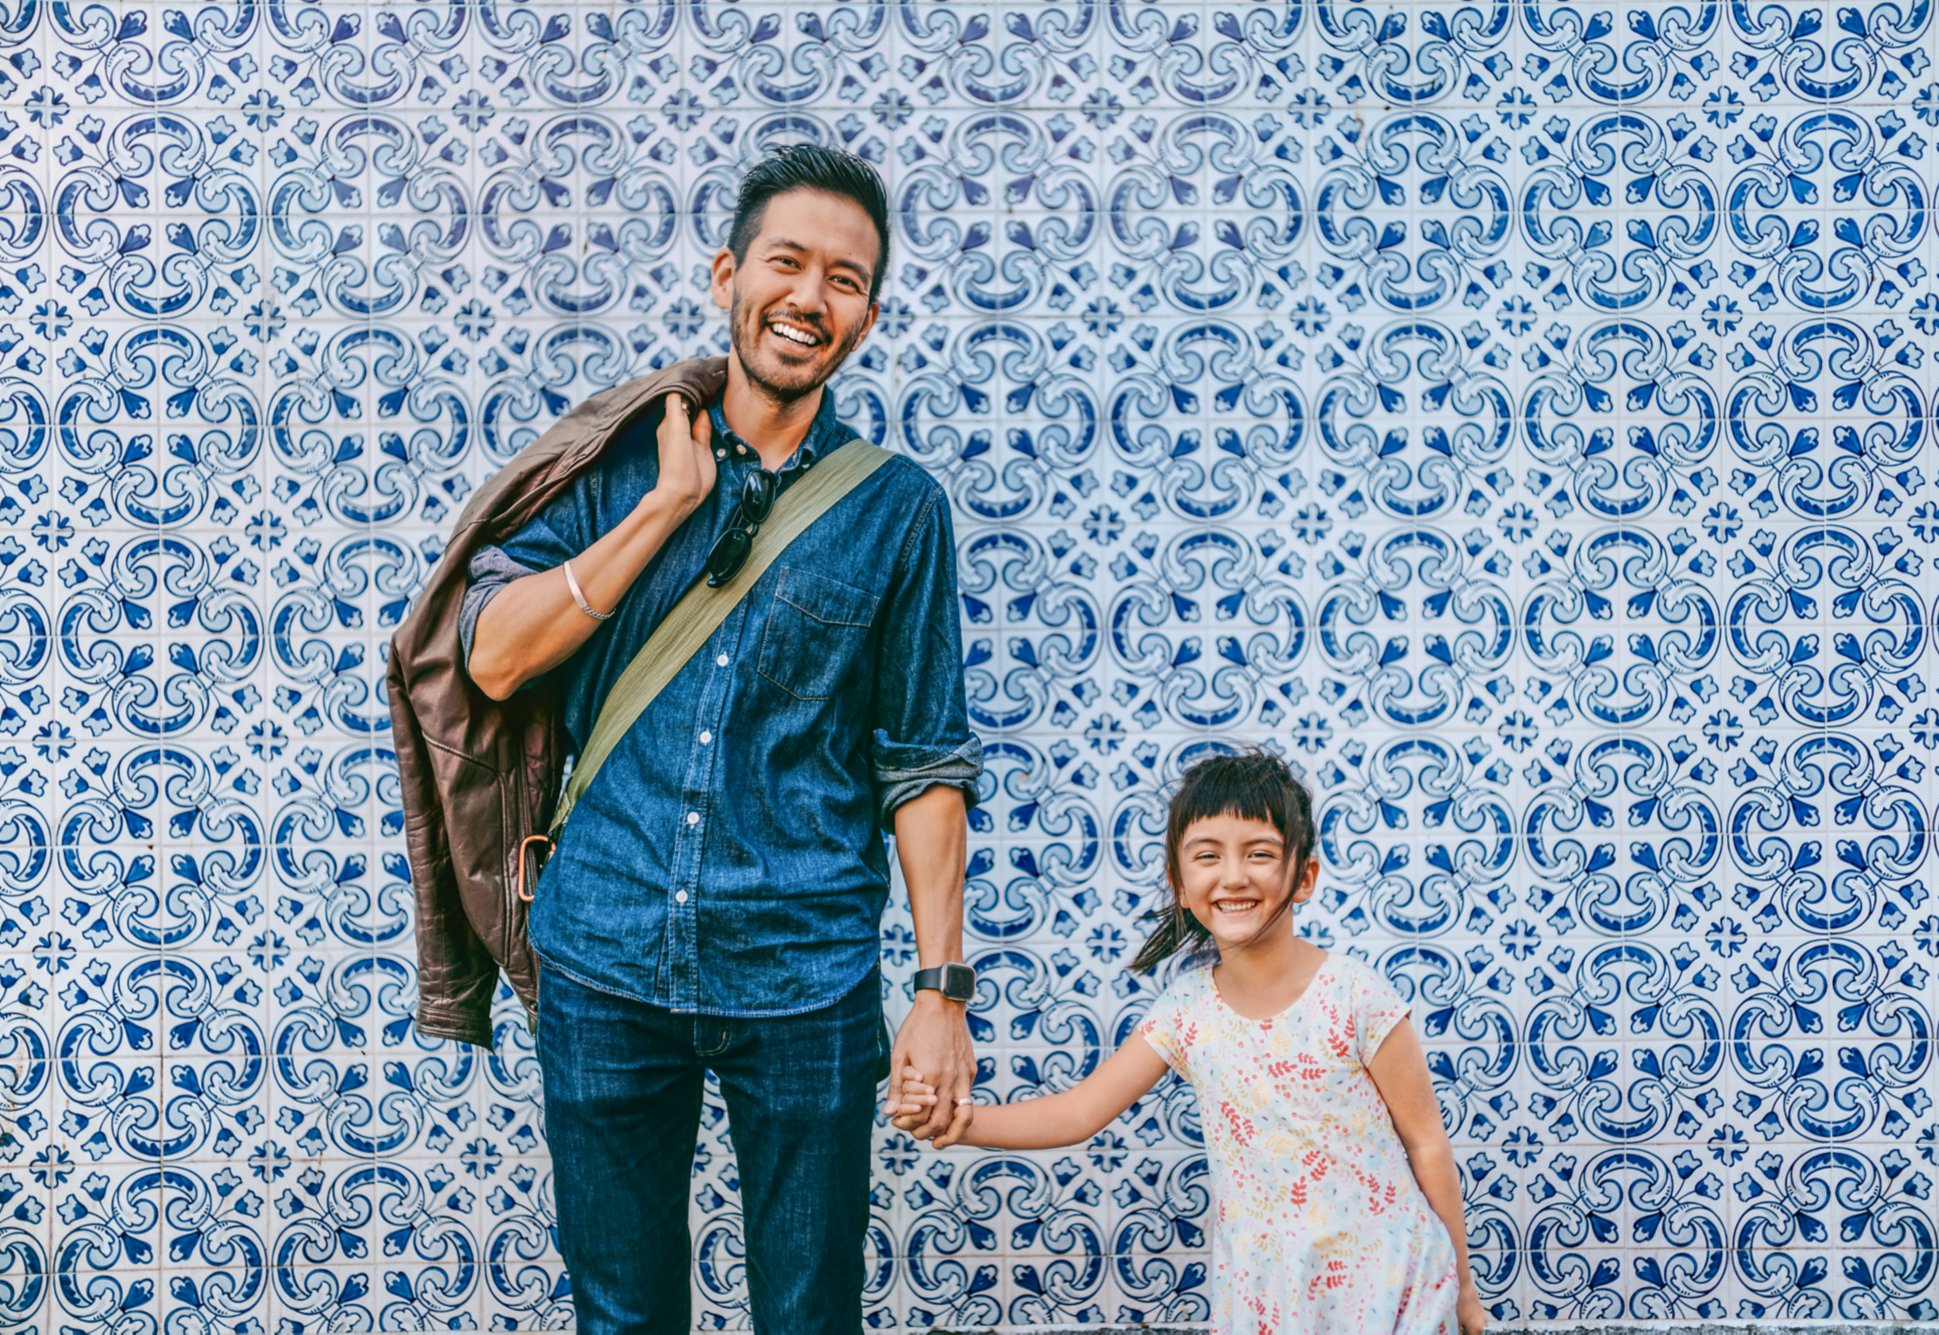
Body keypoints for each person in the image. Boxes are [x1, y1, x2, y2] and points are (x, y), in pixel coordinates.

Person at [460, 144, 983, 1332]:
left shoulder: (897, 509)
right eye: (786, 263)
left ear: (868, 314)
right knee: (621, 1317)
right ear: (725, 276)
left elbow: (923, 761)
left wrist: (940, 989)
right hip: (602, 955)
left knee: (809, 1316)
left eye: (843, 279)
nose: (809, 296)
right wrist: (663, 509)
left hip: (803, 976)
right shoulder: (613, 460)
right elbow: (493, 656)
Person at [894, 750, 1487, 1335]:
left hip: (1391, 1279)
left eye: (1259, 854)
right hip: (1270, 1293)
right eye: (1208, 856)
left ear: (1303, 877)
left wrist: (1462, 1288)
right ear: (1180, 884)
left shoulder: (1357, 995)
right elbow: (1077, 1112)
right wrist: (960, 1121)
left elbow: (1426, 1141)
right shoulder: (1186, 1011)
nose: (1233, 876)